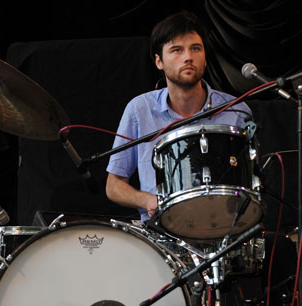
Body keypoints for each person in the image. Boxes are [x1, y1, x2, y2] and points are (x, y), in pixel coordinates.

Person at [105, 10, 252, 223]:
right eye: (176, 50)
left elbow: (252, 183)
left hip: (223, 232)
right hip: (160, 237)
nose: (188, 57)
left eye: (196, 48)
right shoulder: (140, 109)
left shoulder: (237, 111)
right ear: (159, 61)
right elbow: (113, 185)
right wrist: (147, 200)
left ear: (205, 57)